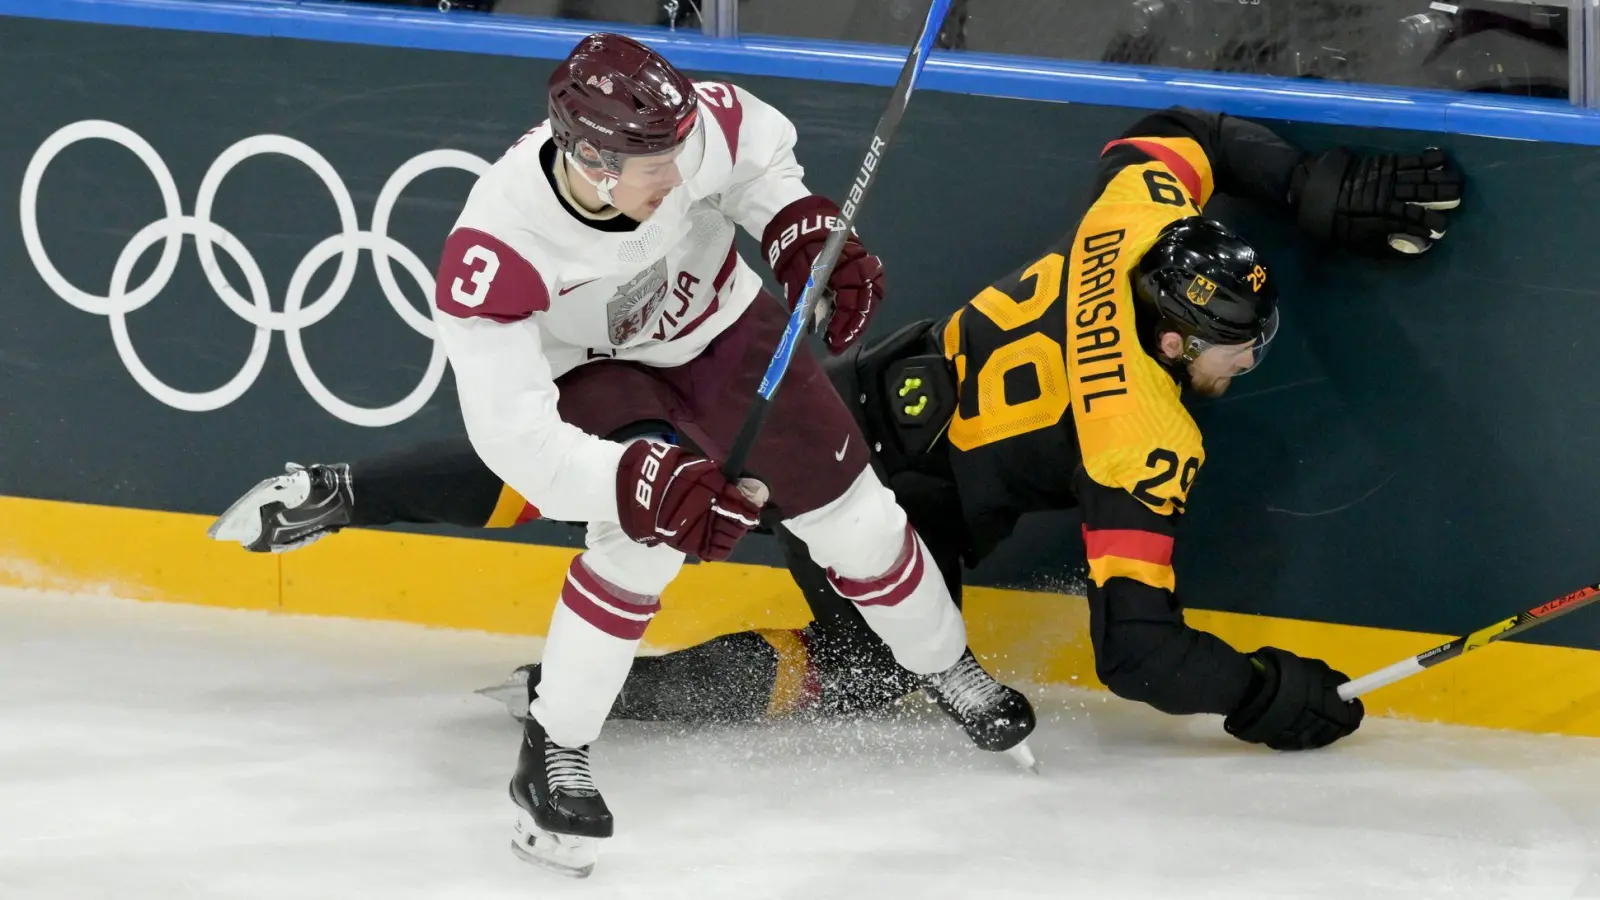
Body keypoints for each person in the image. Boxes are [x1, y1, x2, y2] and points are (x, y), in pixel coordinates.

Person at [213, 105, 1463, 783]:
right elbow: (1135, 653)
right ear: (1180, 345)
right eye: (1235, 348)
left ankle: (345, 488)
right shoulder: (1138, 430)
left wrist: (1297, 180)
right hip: (894, 488)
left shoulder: (1128, 231)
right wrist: (1265, 695)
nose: (1252, 361)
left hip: (857, 390)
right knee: (867, 662)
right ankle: (588, 702)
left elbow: (1171, 131)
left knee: (603, 454)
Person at [211, 32, 1036, 878]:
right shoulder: (496, 250)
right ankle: (555, 752)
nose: (679, 176)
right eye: (654, 167)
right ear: (594, 161)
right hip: (598, 375)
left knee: (859, 520)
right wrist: (636, 483)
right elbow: (514, 442)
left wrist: (794, 228)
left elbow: (757, 164)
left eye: (681, 156)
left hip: (718, 329)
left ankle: (947, 667)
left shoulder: (687, 128)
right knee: (638, 543)